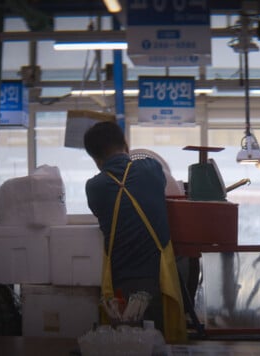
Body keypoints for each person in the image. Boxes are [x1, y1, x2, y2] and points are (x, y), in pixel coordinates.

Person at [83, 120, 186, 342]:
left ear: (96, 160)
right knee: (159, 341)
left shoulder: (94, 187)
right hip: (158, 280)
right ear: (126, 145)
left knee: (125, 342)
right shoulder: (152, 168)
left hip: (119, 284)